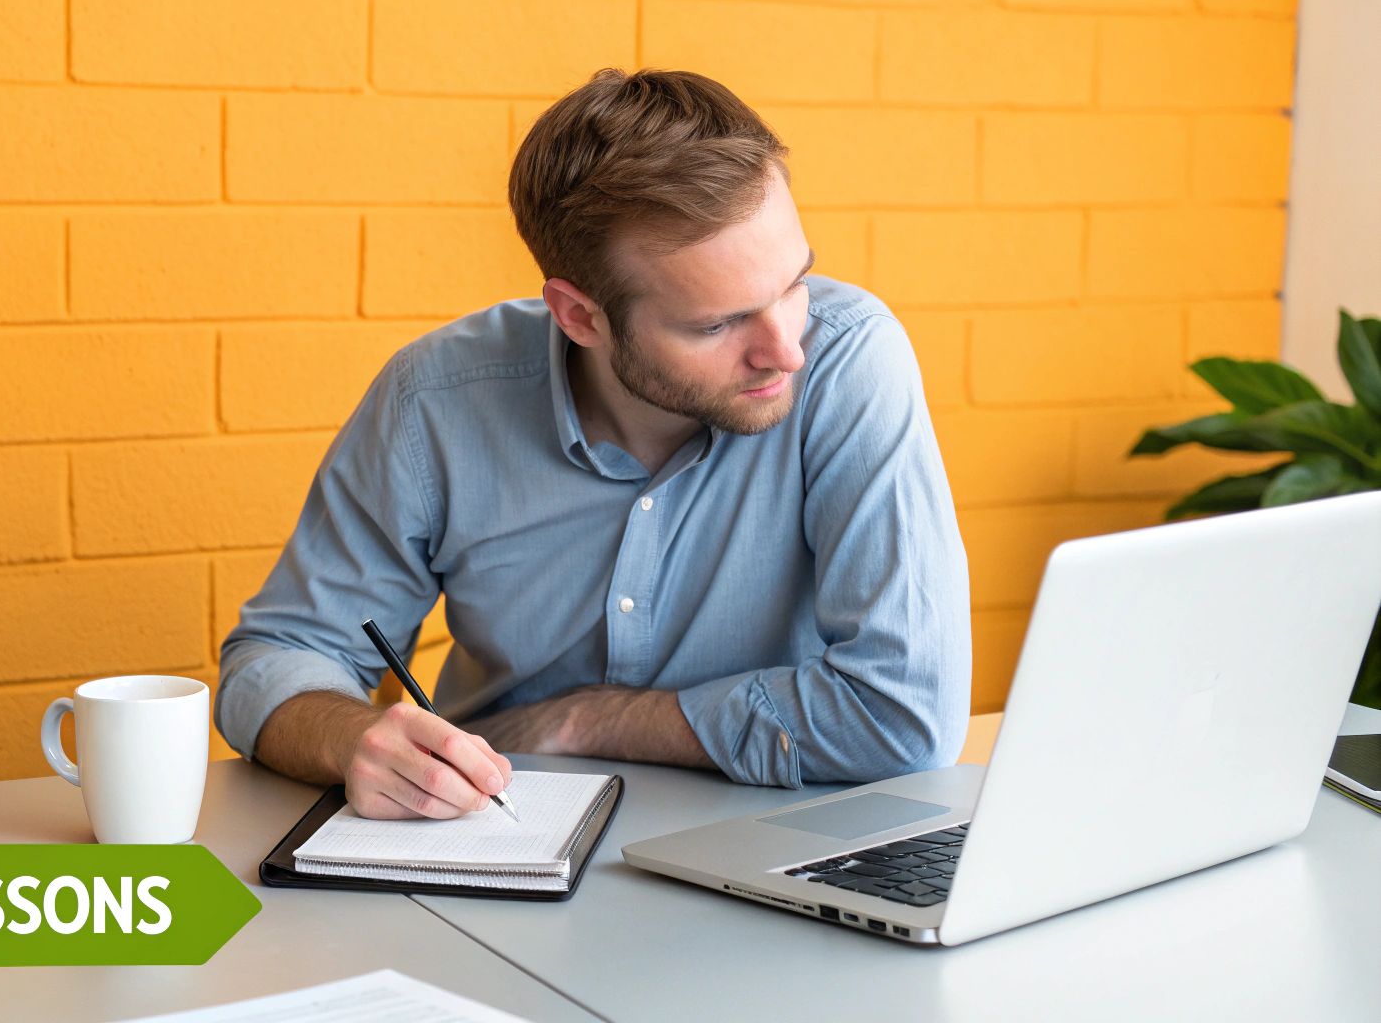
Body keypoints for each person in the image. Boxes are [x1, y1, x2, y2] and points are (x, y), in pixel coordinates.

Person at [216, 68, 971, 820]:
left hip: (779, 837)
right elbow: (273, 661)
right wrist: (355, 741)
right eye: (717, 324)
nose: (786, 349)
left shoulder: (849, 359)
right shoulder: (436, 401)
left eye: (794, 284)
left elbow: (906, 714)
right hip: (492, 833)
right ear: (579, 316)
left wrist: (582, 721)